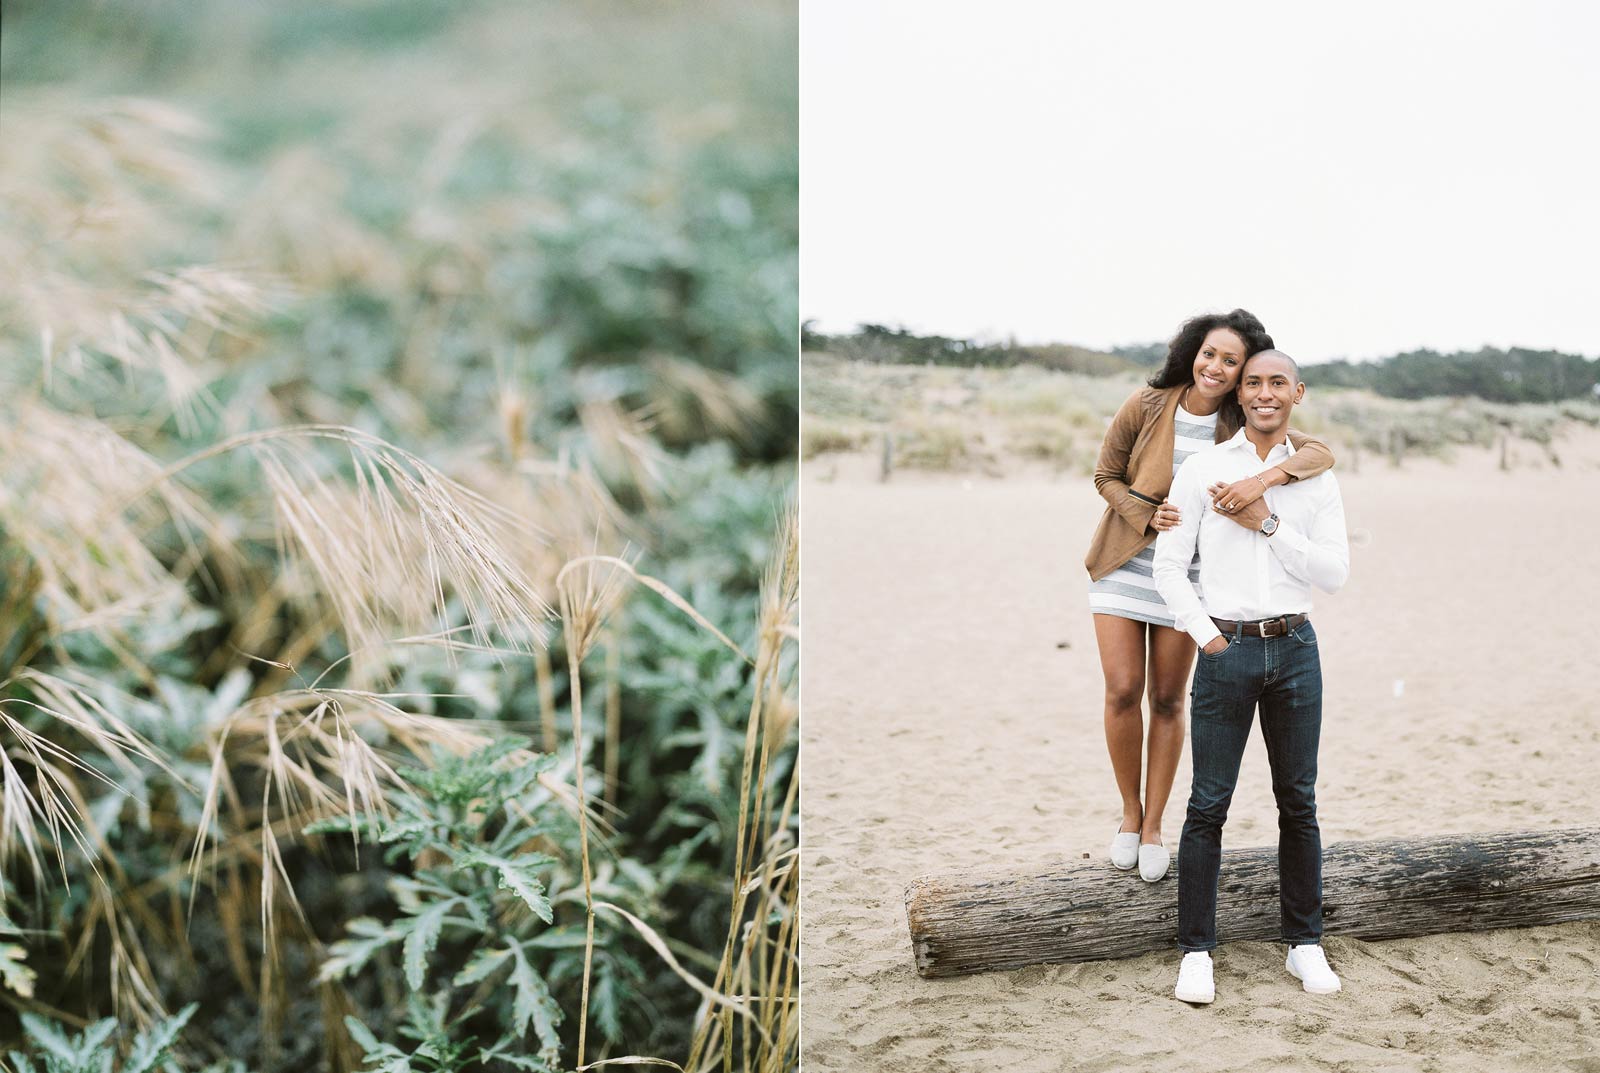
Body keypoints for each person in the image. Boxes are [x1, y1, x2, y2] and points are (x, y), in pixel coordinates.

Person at [1085, 311, 1334, 883]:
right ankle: (1129, 815)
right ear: (1191, 352)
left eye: (1231, 361)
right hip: (1125, 562)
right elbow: (1105, 475)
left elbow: (1318, 453)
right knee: (1123, 691)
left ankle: (1155, 829)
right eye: (1209, 354)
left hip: (1195, 577)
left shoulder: (1240, 420)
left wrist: (1261, 482)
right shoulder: (1149, 403)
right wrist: (1147, 514)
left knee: (1169, 700)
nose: (1216, 367)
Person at [1151, 348, 1350, 1005]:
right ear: (1241, 392)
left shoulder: (1315, 477)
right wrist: (1203, 633)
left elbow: (1334, 573)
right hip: (1225, 648)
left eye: (1276, 383)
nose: (1264, 393)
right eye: (1253, 383)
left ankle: (1304, 943)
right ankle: (1196, 952)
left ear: (1297, 392)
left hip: (1296, 645)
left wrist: (1267, 522)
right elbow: (1169, 565)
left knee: (1300, 800)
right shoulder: (1205, 469)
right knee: (1208, 803)